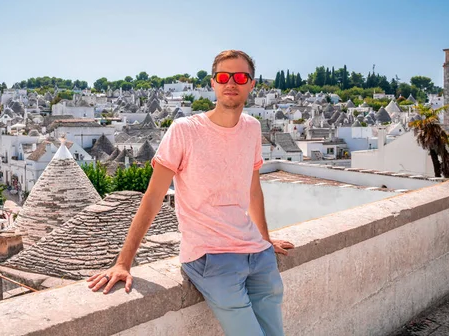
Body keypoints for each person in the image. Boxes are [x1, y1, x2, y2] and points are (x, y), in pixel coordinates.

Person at [87, 50, 294, 336]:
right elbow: (153, 196)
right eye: (223, 76)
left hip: (257, 255)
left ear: (252, 84)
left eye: (240, 77)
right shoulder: (184, 130)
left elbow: (253, 189)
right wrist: (123, 262)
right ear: (213, 84)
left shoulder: (252, 128)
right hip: (211, 257)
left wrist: (265, 239)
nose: (231, 83)